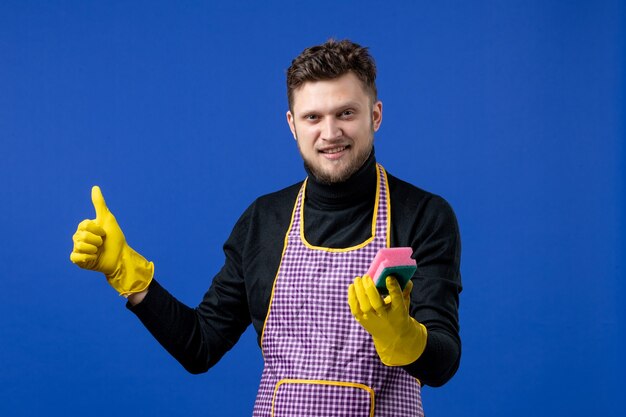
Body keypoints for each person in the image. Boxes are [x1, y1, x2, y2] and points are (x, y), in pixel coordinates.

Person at [70, 39, 462, 417]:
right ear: (292, 124)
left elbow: (443, 363)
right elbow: (200, 346)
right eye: (313, 117)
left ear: (374, 115)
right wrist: (129, 275)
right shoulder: (264, 220)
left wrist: (405, 337)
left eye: (346, 113)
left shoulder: (423, 215)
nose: (330, 133)